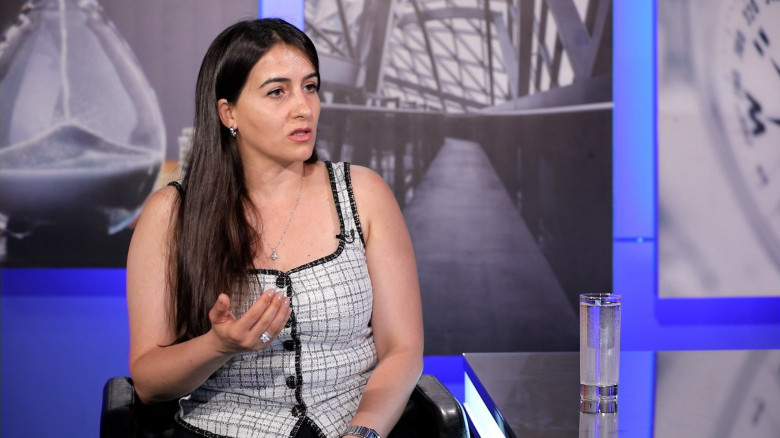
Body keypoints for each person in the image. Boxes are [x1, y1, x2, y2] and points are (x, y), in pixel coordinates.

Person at [126, 18, 423, 438]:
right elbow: (148, 381)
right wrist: (218, 345)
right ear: (228, 112)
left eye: (310, 87)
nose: (303, 107)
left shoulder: (364, 193)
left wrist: (364, 432)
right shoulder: (172, 213)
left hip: (355, 426)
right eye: (277, 92)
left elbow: (403, 349)